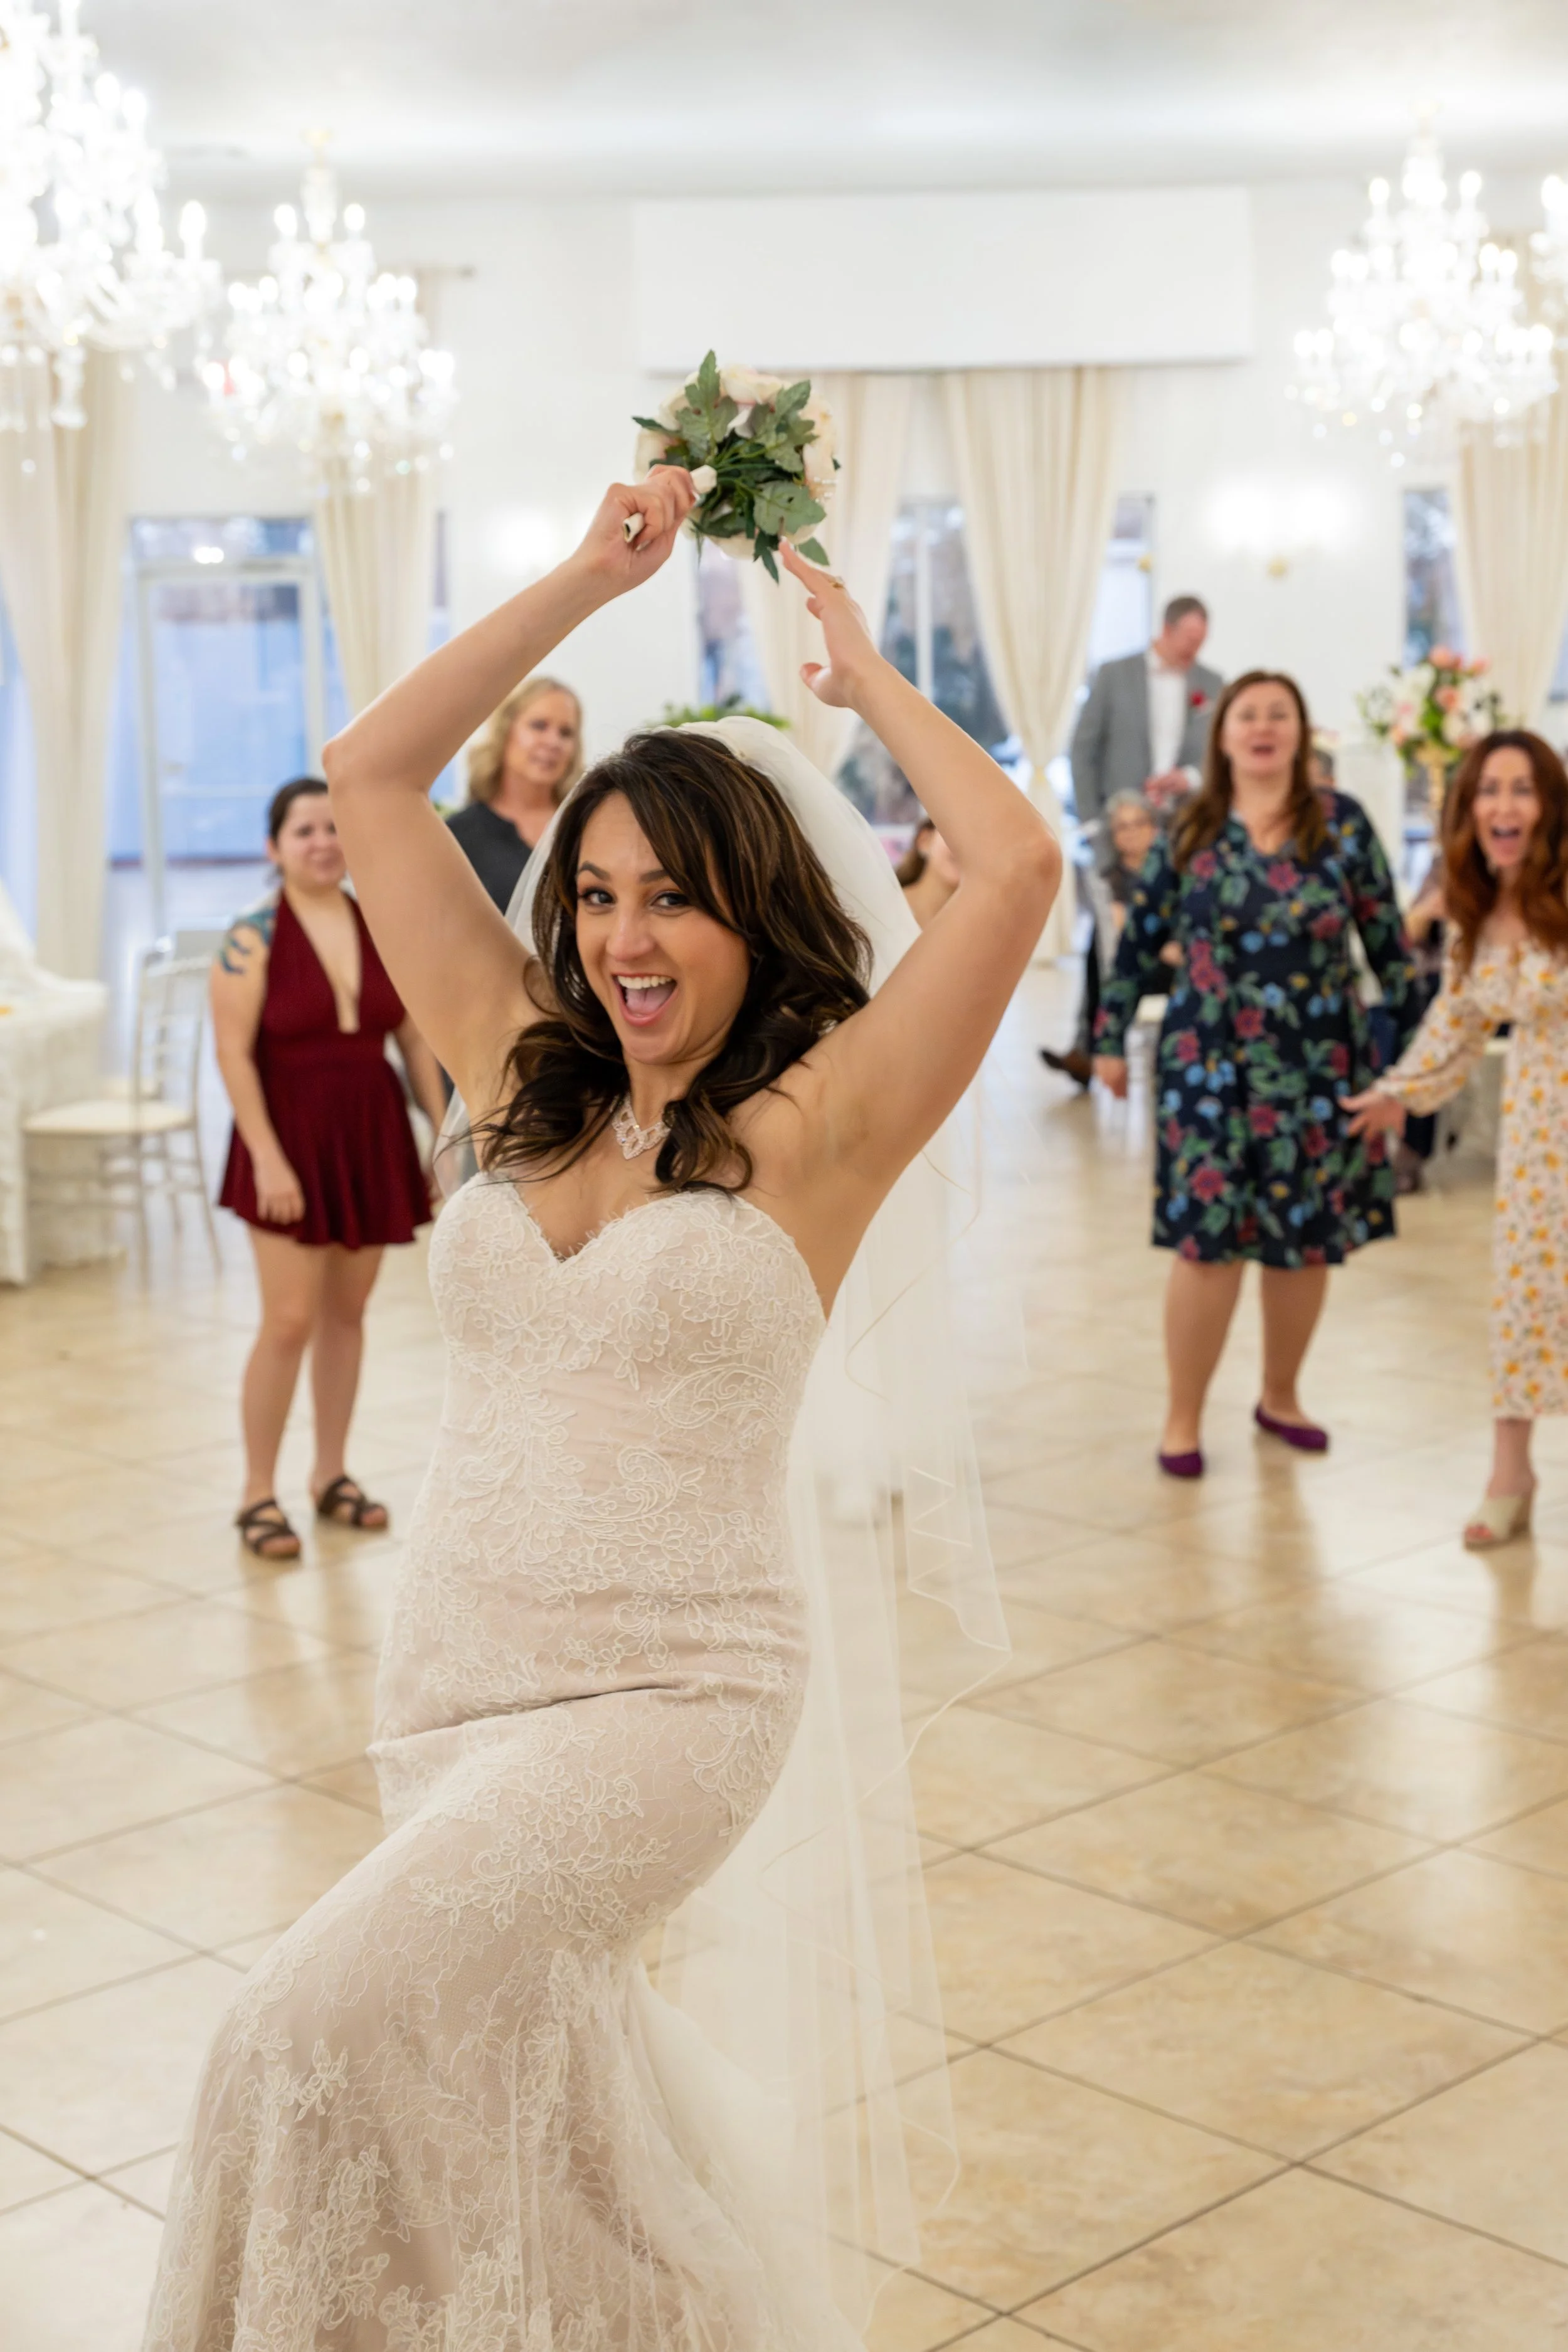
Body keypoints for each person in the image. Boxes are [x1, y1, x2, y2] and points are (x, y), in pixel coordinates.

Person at [145, 470, 1058, 2348]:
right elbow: (372, 773)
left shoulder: (821, 1126)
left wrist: (864, 672)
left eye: (677, 899)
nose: (628, 936)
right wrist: (584, 575)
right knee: (528, 2089)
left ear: (757, 915)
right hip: (456, 1669)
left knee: (298, 2021)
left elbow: (1016, 865)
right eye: (599, 892)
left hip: (672, 1693)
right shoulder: (516, 1064)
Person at [1093, 671, 1417, 1477]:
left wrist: (1413, 1067)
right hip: (1208, 1067)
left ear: (1300, 733)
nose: (1264, 727)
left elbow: (1389, 947)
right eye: (1248, 715)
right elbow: (1137, 945)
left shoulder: (1341, 824)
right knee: (1206, 1245)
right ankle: (1181, 1417)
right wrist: (1108, 1039)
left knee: (1301, 1243)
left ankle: (1281, 1397)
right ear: (1224, 735)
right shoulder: (1188, 827)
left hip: (1318, 1067)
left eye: (1279, 714)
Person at [211, 777, 449, 1559]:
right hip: (285, 1136)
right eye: (304, 830)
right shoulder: (251, 937)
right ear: (274, 847)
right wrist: (268, 1159)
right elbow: (232, 1056)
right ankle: (257, 1491)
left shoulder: (378, 922)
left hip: (367, 1133)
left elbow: (412, 1037)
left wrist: (442, 1134)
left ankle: (331, 1474)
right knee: (288, 1321)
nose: (322, 843)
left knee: (347, 1315)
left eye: (332, 828)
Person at [1345, 730, 1568, 1548]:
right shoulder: (1474, 914)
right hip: (1541, 1135)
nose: (1503, 807)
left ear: (1549, 806)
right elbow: (1458, 1021)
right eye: (1488, 792)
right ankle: (1511, 1474)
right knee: (1525, 1293)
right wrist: (1398, 1092)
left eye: (1521, 789)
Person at [1044, 598, 1224, 1084]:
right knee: (1111, 934)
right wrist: (1093, 826)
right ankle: (1093, 1045)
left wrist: (1189, 779)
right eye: (1188, 639)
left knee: (1137, 935)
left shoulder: (1212, 684)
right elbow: (1083, 751)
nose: (1194, 650)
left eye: (1201, 642)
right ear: (1166, 629)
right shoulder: (1114, 675)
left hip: (1182, 833)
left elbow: (1217, 758)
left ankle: (1096, 1045)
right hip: (1122, 831)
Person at [445, 673, 584, 913]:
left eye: (565, 733)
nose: (553, 742)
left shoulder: (585, 824)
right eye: (539, 726)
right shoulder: (458, 837)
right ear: (504, 730)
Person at [897, 813, 961, 928]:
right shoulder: (882, 907)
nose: (964, 850)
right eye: (956, 833)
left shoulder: (984, 927)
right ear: (924, 841)